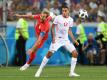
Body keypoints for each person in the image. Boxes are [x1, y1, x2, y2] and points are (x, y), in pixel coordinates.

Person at [35, 6, 80, 77]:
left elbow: (69, 30)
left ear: (68, 11)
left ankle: (71, 73)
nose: (64, 12)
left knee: (75, 53)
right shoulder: (58, 18)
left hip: (66, 40)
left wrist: (74, 40)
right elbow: (52, 28)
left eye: (65, 11)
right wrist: (53, 38)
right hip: (57, 39)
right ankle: (39, 70)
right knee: (49, 54)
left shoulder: (71, 19)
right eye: (63, 11)